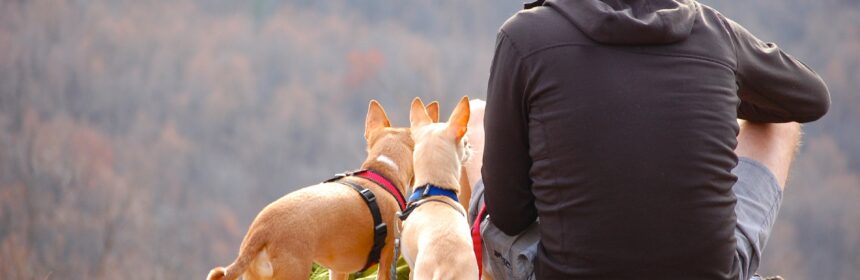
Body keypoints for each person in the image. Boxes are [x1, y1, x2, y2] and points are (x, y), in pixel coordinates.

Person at [479, 0, 830, 279]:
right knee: (780, 122)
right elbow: (810, 98)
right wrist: (716, 87)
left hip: (565, 271)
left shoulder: (523, 36)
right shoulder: (713, 32)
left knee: (476, 128)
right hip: (710, 273)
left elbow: (509, 216)